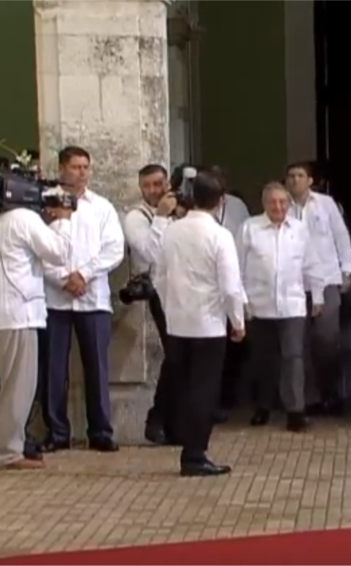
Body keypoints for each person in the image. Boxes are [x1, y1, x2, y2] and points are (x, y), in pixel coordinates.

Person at [0, 194, 74, 469]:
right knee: (17, 385)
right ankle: (7, 451)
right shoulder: (24, 218)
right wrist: (63, 221)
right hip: (15, 313)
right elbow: (60, 253)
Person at [154, 171, 245, 477]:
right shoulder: (219, 235)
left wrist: (171, 309)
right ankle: (194, 453)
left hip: (178, 321)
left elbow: (160, 277)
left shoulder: (172, 231)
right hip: (207, 324)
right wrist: (238, 320)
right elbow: (230, 285)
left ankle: (185, 443)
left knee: (183, 385)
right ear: (220, 202)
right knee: (204, 389)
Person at [41, 146, 125, 453]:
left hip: (92, 297)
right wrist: (64, 277)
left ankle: (100, 430)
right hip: (56, 297)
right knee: (53, 367)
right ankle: (57, 431)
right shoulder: (45, 203)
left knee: (97, 366)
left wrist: (84, 275)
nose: (82, 172)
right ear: (62, 168)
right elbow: (37, 248)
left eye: (86, 167)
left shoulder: (101, 207)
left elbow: (114, 249)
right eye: (75, 167)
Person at [238, 182, 326, 431]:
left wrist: (317, 295)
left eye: (283, 202)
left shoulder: (299, 230)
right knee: (263, 360)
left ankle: (295, 411)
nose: (278, 207)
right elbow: (237, 268)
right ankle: (263, 406)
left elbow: (311, 264)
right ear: (264, 204)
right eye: (273, 202)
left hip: (292, 305)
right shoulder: (249, 229)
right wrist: (241, 302)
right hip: (258, 305)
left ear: (288, 204)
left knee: (293, 356)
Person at [285, 161, 351, 415]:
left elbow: (341, 236)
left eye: (300, 175)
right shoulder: (281, 206)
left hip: (326, 280)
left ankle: (331, 392)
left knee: (326, 339)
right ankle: (308, 399)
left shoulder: (325, 204)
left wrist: (347, 269)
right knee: (299, 343)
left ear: (310, 180)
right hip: (294, 283)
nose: (294, 180)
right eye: (290, 176)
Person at [123, 164, 180, 444]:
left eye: (158, 184)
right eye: (147, 186)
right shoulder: (137, 217)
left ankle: (171, 421)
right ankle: (157, 418)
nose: (154, 190)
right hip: (159, 290)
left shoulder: (179, 210)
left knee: (182, 356)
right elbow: (149, 252)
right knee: (175, 354)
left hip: (185, 290)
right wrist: (160, 217)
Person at [204, 166, 251, 423]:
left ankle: (227, 399)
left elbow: (244, 243)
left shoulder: (237, 206)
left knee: (232, 353)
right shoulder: (193, 213)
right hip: (207, 291)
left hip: (233, 282)